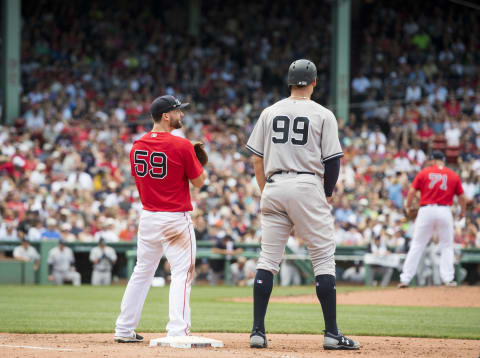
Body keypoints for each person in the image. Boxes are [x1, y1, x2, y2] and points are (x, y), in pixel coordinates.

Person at [245, 59, 360, 350]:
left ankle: (257, 332)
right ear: (314, 82)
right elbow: (332, 161)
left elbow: (256, 157)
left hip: (273, 185)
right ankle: (332, 334)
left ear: (288, 82)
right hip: (307, 183)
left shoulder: (269, 112)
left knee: (268, 260)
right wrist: (327, 192)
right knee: (323, 259)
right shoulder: (323, 114)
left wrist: (265, 190)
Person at [114, 95, 207, 343]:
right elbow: (199, 182)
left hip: (148, 217)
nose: (182, 115)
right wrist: (196, 161)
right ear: (166, 116)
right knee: (181, 274)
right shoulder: (182, 145)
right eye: (178, 111)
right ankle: (177, 331)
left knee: (141, 272)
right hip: (174, 218)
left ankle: (123, 329)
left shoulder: (136, 145)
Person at [399, 150, 466, 287]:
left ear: (433, 160)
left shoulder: (424, 172)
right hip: (444, 210)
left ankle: (405, 279)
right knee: (447, 245)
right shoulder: (453, 175)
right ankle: (448, 279)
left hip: (426, 210)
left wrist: (407, 206)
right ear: (442, 160)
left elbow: (412, 191)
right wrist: (462, 212)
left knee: (417, 244)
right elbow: (462, 197)